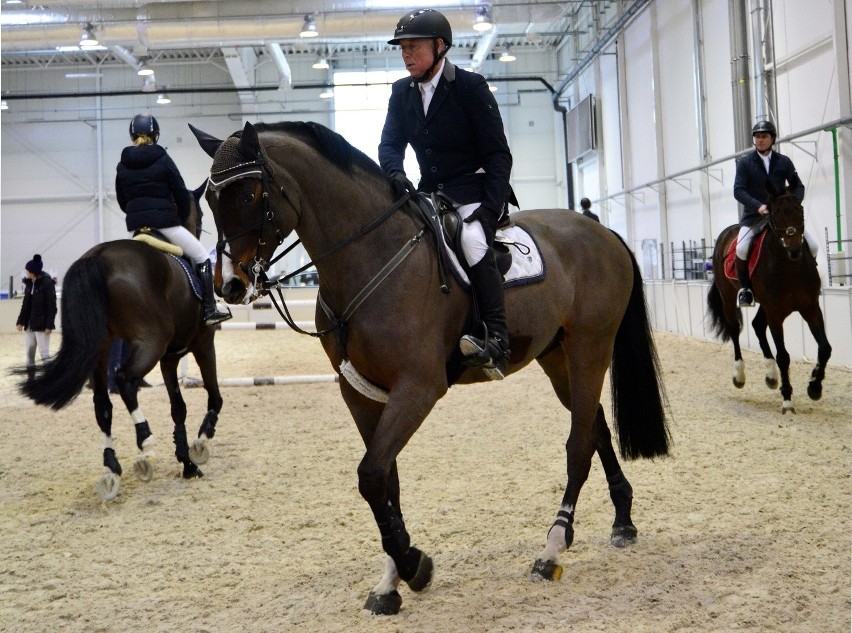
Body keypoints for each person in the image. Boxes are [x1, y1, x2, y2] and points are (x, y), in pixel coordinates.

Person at [379, 8, 513, 380]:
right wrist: (394, 173)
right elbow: (390, 144)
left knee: (471, 241)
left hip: (474, 187)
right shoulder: (401, 92)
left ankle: (498, 340)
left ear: (440, 46)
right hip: (430, 192)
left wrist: (489, 209)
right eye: (402, 48)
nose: (406, 55)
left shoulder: (470, 87)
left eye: (413, 47)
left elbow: (499, 154)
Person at [116, 113, 230, 325]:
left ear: (132, 136)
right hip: (166, 227)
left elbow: (123, 202)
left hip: (138, 231)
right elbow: (180, 193)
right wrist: (178, 216)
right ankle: (209, 309)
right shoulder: (163, 160)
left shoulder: (122, 166)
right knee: (203, 257)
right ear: (156, 135)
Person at [733, 120, 817, 308]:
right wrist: (758, 206)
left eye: (764, 136)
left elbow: (799, 186)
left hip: (781, 218)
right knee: (741, 248)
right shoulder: (745, 163)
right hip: (754, 217)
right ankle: (746, 290)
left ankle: (808, 280)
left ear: (772, 139)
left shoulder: (784, 162)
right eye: (757, 136)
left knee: (813, 245)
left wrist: (793, 203)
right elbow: (738, 190)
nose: (760, 140)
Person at [16, 254, 57, 383]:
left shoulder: (47, 284)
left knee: (44, 354)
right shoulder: (29, 284)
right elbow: (25, 304)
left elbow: (52, 305)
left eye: (27, 271)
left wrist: (49, 325)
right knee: (29, 353)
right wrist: (20, 321)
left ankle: (50, 380)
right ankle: (31, 380)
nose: (26, 272)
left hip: (41, 325)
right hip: (29, 325)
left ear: (33, 272)